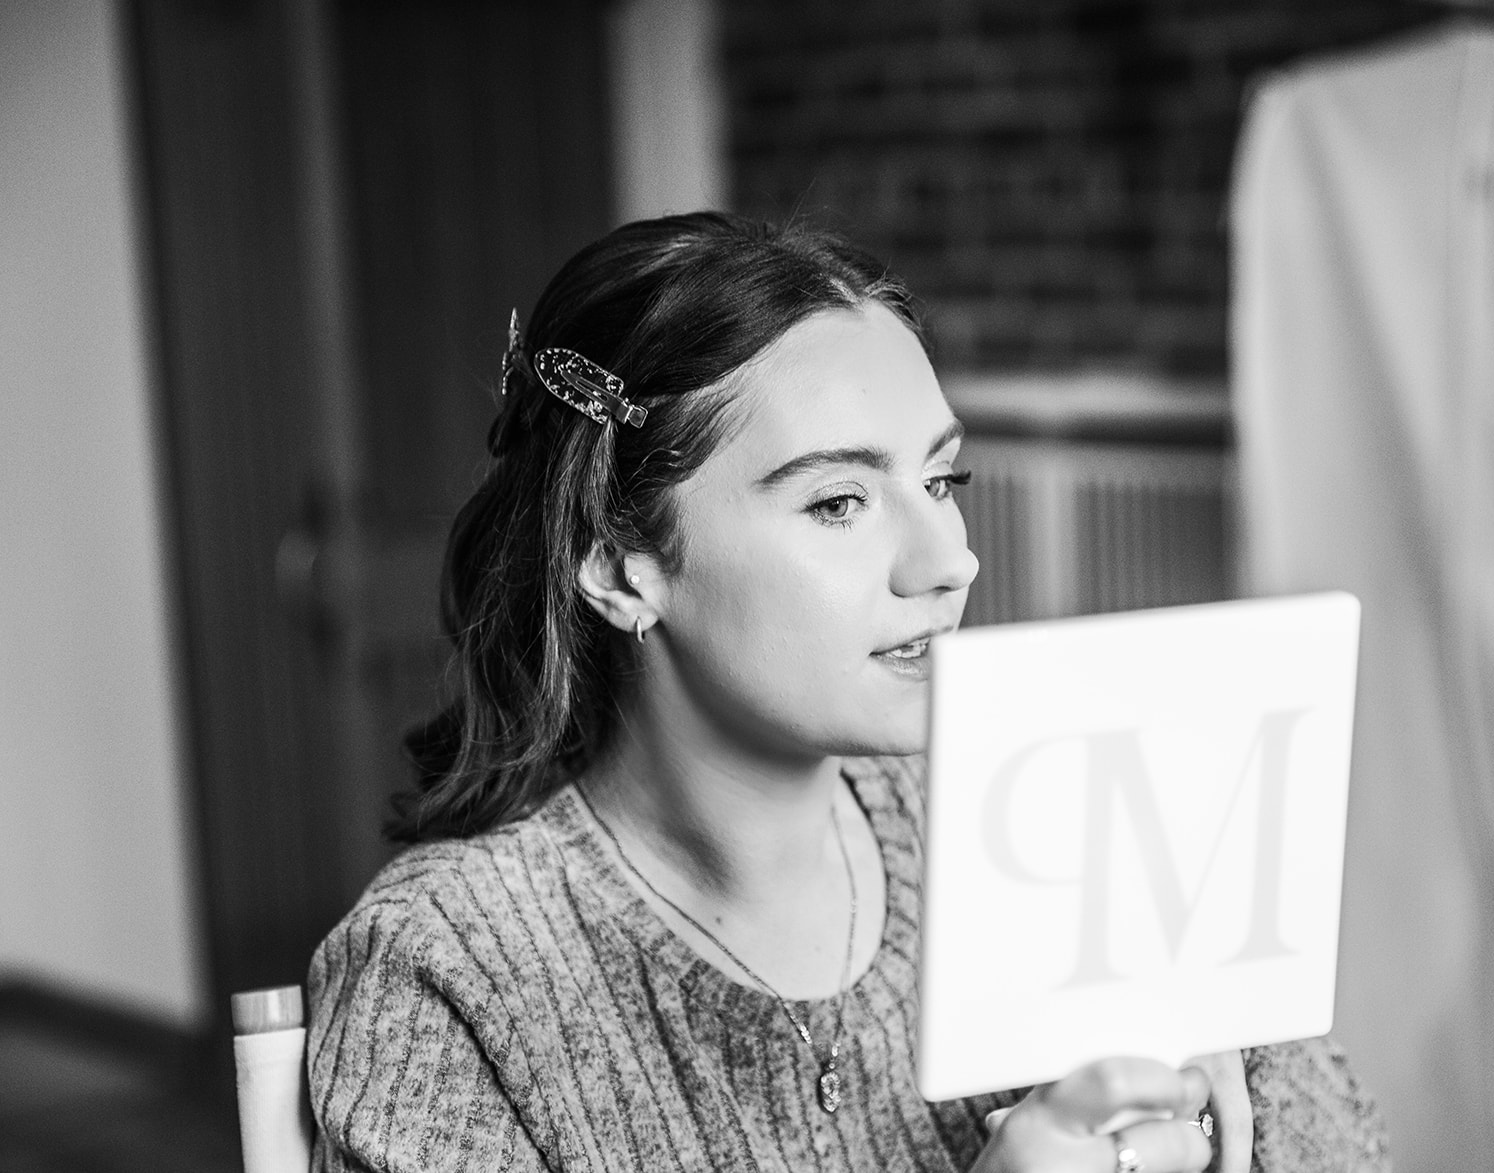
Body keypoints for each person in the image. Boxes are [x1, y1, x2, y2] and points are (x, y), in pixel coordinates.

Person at [306, 212, 1388, 1172]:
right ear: (620, 565)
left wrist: (1231, 1113)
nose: (949, 560)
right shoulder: (444, 972)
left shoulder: (1072, 818)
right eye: (837, 502)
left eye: (939, 481)